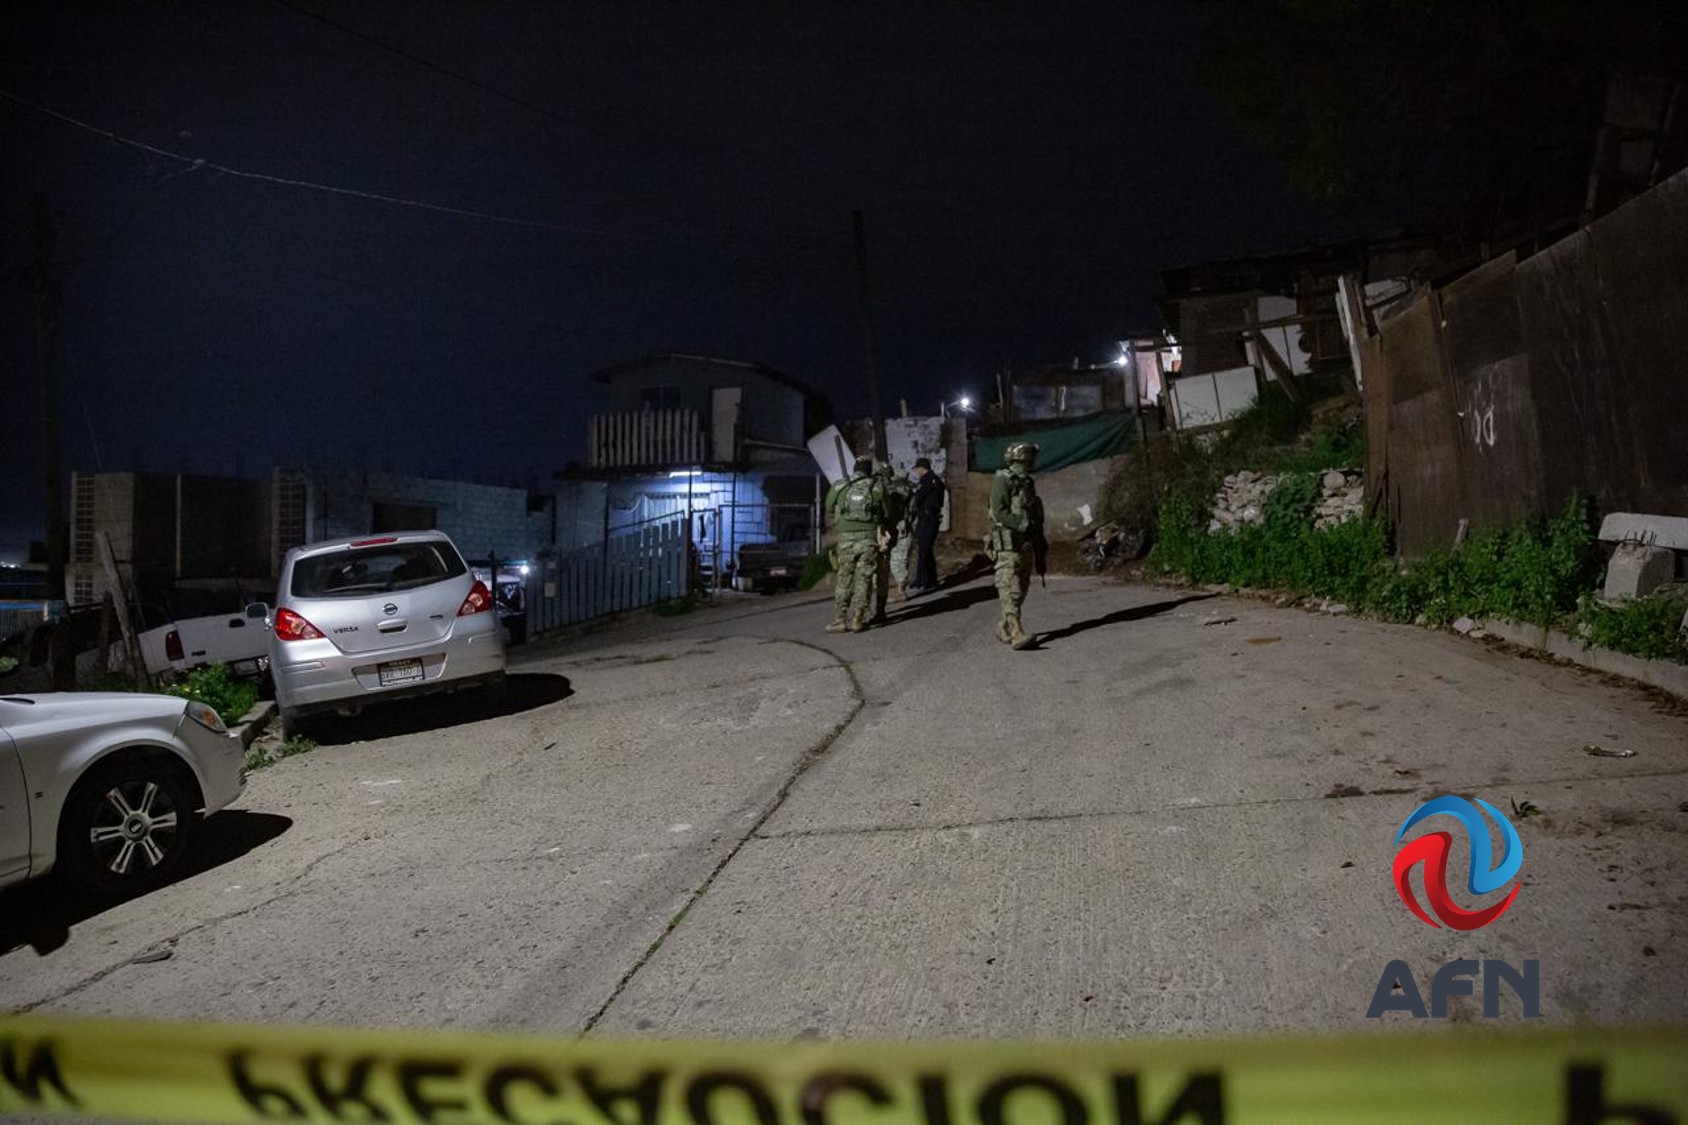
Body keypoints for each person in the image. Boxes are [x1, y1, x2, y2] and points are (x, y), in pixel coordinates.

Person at [986, 441, 1043, 649]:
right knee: (1007, 585)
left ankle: (1004, 626)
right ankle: (1016, 631)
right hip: (1007, 542)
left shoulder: (1027, 482)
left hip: (1025, 542)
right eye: (1029, 460)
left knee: (1021, 589)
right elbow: (999, 512)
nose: (1031, 464)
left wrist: (1038, 537)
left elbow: (1033, 510)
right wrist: (1021, 524)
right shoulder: (1002, 480)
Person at [825, 455, 884, 633]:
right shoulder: (877, 486)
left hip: (846, 540)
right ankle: (858, 618)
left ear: (855, 469)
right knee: (864, 579)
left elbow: (828, 506)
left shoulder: (840, 485)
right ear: (869, 470)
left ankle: (840, 620)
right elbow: (887, 511)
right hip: (868, 538)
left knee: (844, 578)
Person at [873, 463, 914, 620]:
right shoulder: (902, 487)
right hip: (898, 526)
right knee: (897, 558)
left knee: (892, 560)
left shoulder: (886, 489)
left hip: (890, 528)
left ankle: (898, 592)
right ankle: (896, 592)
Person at [909, 456, 944, 592]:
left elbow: (918, 498)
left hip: (927, 517)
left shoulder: (927, 481)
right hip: (932, 516)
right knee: (927, 549)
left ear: (923, 469)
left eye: (918, 469)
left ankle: (923, 580)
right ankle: (930, 579)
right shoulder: (936, 480)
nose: (917, 472)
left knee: (924, 549)